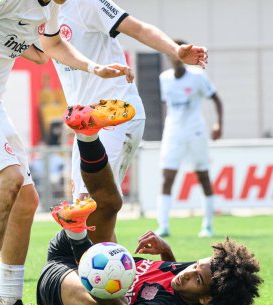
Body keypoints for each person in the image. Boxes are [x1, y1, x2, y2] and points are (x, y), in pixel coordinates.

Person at [0, 0, 133, 305]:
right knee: (10, 178)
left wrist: (94, 68)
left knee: (26, 200)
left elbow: (52, 45)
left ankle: (12, 303)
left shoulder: (50, 8)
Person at [36, 106, 262, 305]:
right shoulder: (193, 274)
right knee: (111, 203)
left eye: (198, 280)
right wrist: (166, 251)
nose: (187, 273)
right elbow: (179, 271)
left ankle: (78, 234)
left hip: (60, 284)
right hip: (68, 254)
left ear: (206, 300)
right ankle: (88, 135)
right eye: (195, 265)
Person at [49, 0, 208, 244]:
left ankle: (98, 275)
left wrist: (175, 51)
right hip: (84, 124)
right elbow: (39, 51)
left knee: (94, 206)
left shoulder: (87, 4)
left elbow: (139, 28)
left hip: (116, 114)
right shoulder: (43, 14)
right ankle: (111, 272)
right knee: (89, 208)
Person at [156, 39, 223, 239]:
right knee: (167, 177)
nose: (174, 57)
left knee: (203, 176)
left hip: (195, 132)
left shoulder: (197, 76)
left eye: (178, 53)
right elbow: (166, 106)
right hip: (173, 133)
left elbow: (216, 99)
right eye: (171, 53)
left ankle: (208, 226)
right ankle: (163, 226)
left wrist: (219, 124)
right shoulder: (164, 78)